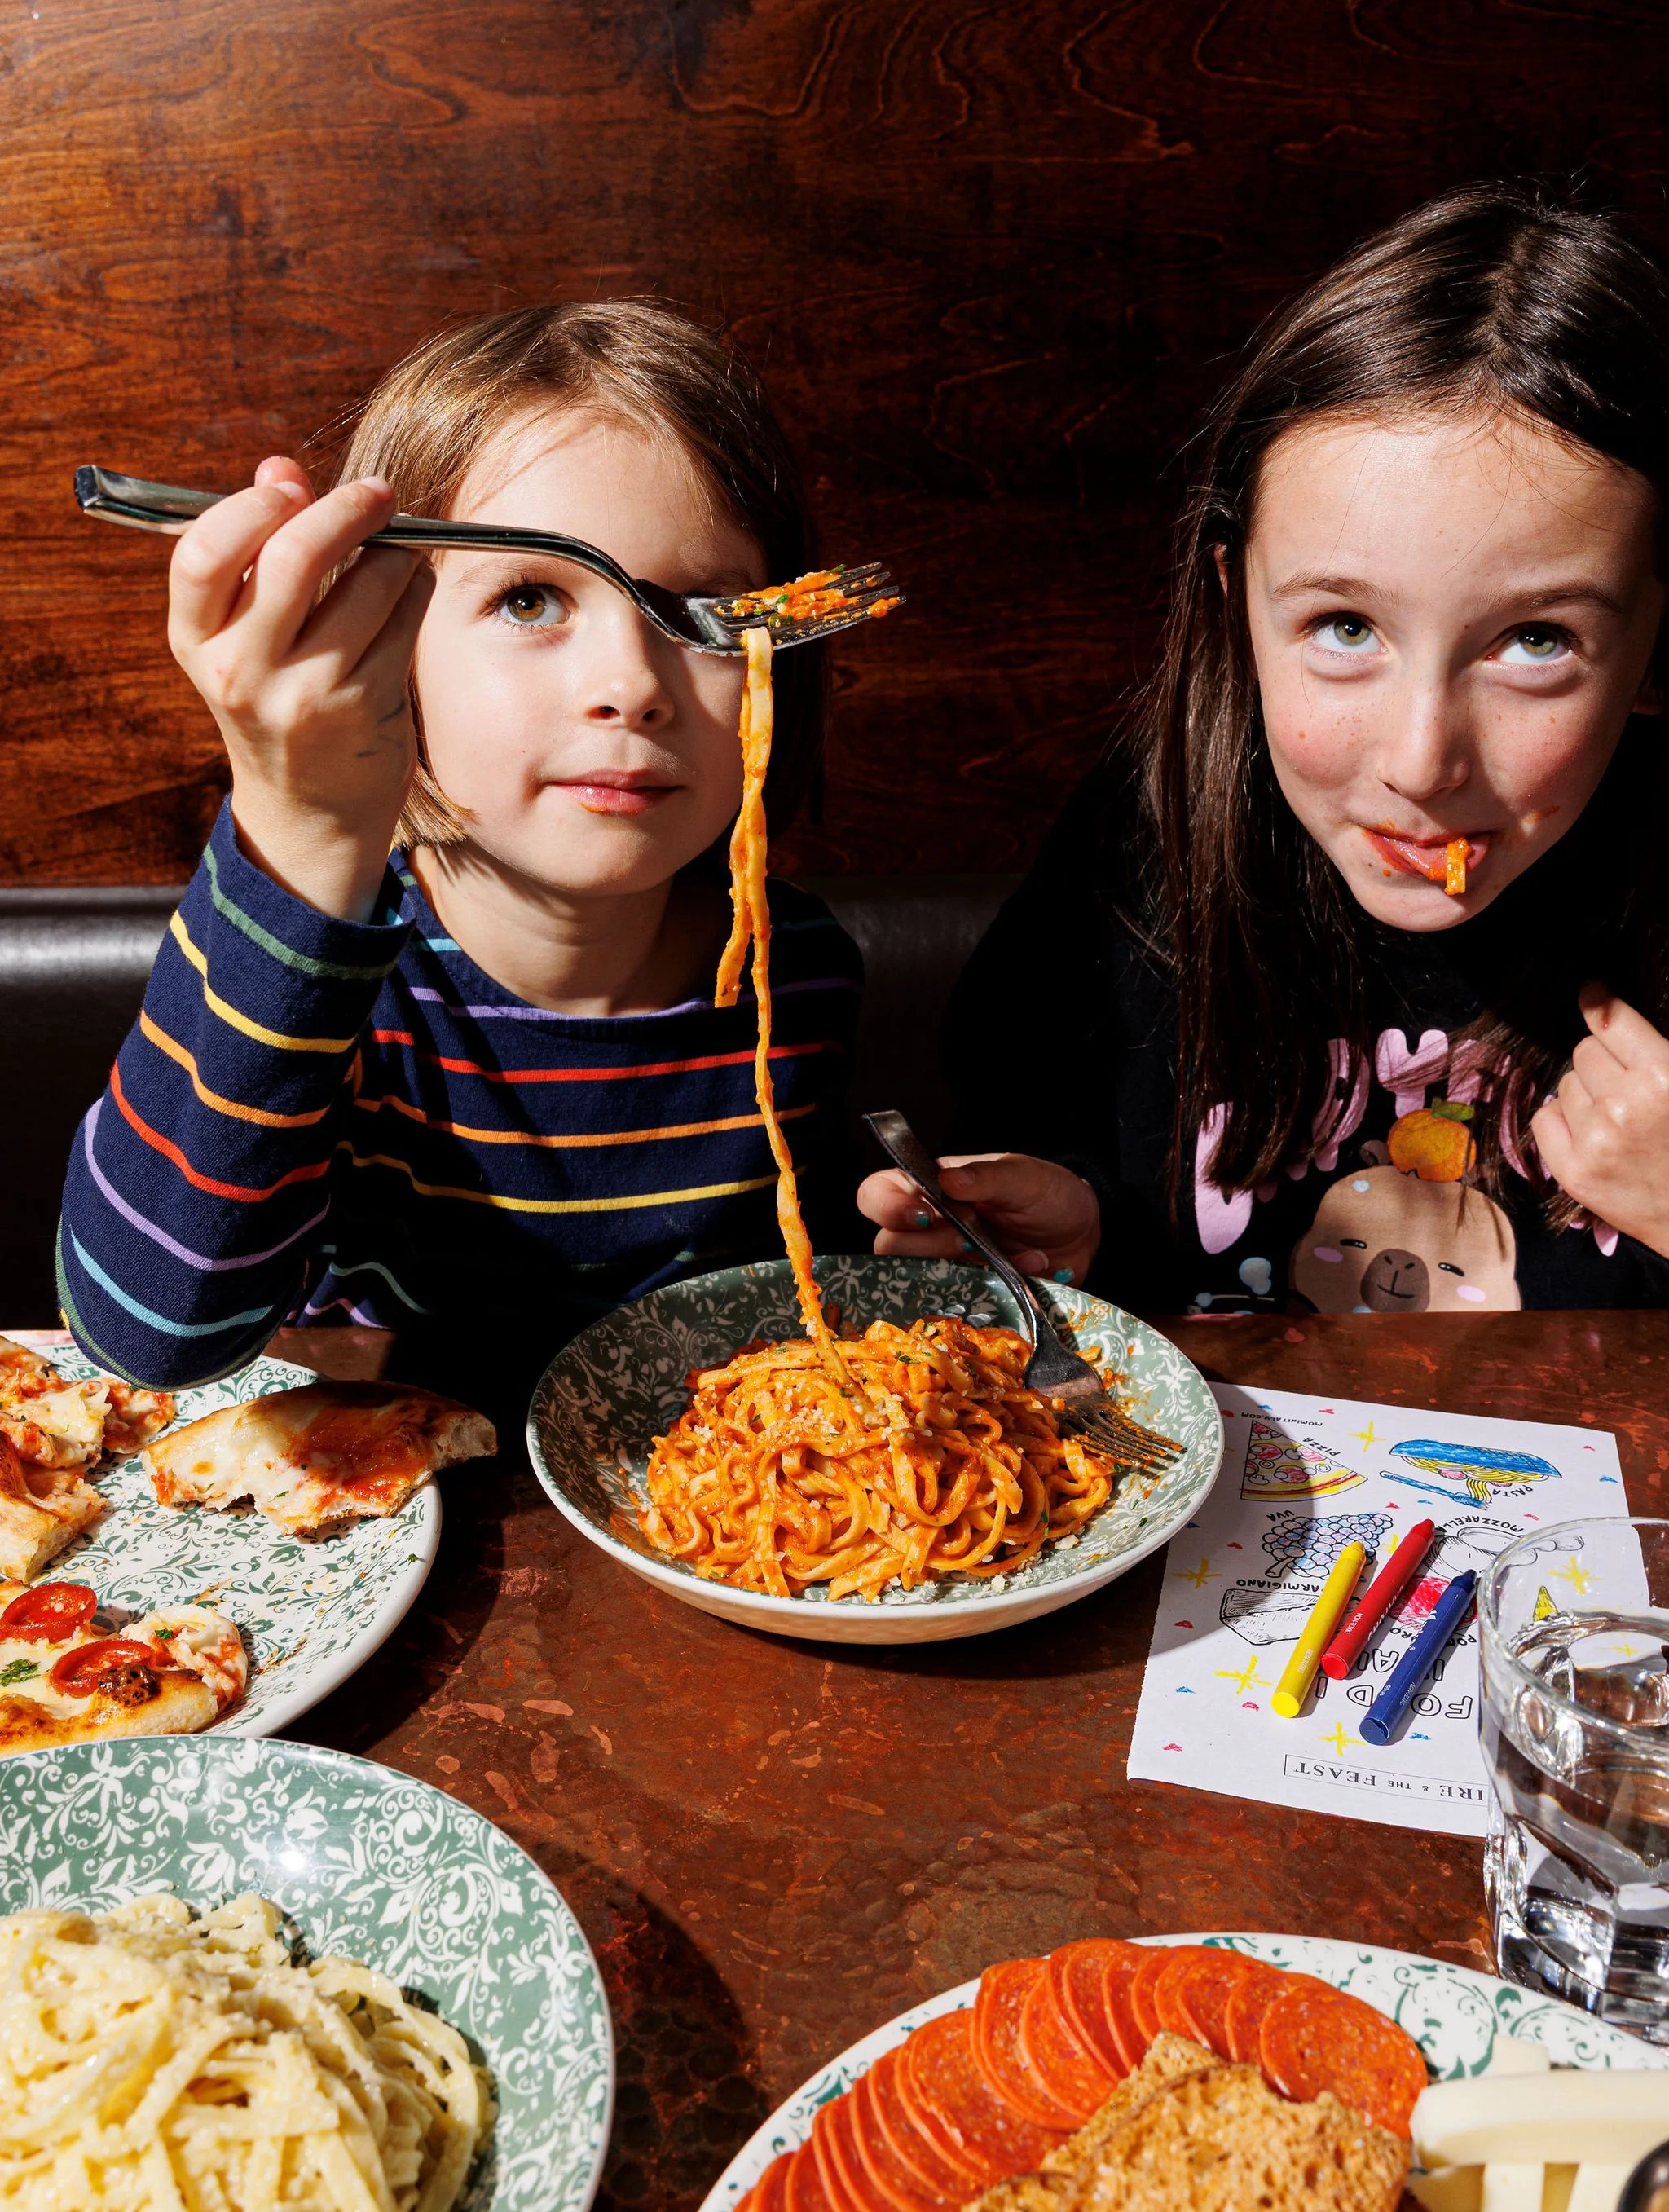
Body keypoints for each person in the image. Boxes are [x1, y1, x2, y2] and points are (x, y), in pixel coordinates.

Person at [861, 183, 1669, 1315]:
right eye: (1345, 628)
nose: (1423, 760)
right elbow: (1051, 1156)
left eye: (1536, 641)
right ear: (1240, 606)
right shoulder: (1146, 838)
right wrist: (1085, 1225)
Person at [59, 302, 861, 1403]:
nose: (629, 682)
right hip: (385, 1503)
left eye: (694, 610)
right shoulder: (343, 986)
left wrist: (943, 1230)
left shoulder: (794, 964)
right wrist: (301, 833)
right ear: (384, 644)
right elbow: (147, 1338)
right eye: (530, 597)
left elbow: (809, 1301)